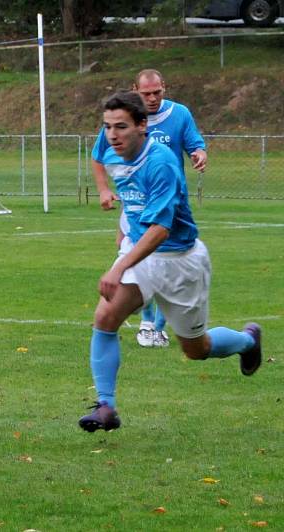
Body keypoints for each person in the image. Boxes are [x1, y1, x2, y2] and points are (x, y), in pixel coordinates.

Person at [79, 91, 262, 433]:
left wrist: (118, 266)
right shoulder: (109, 148)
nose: (112, 135)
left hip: (180, 260)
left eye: (121, 127)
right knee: (105, 316)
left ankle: (248, 341)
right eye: (107, 127)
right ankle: (106, 406)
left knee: (196, 349)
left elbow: (161, 229)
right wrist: (114, 206)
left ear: (142, 126)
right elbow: (105, 166)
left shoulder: (160, 161)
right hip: (140, 252)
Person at [91, 69, 207, 349]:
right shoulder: (117, 124)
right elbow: (98, 156)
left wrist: (199, 153)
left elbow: (196, 143)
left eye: (157, 92)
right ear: (136, 91)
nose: (153, 98)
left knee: (196, 349)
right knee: (106, 314)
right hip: (134, 207)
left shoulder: (177, 118)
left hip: (169, 211)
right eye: (147, 93)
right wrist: (105, 190)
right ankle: (146, 323)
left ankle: (159, 324)